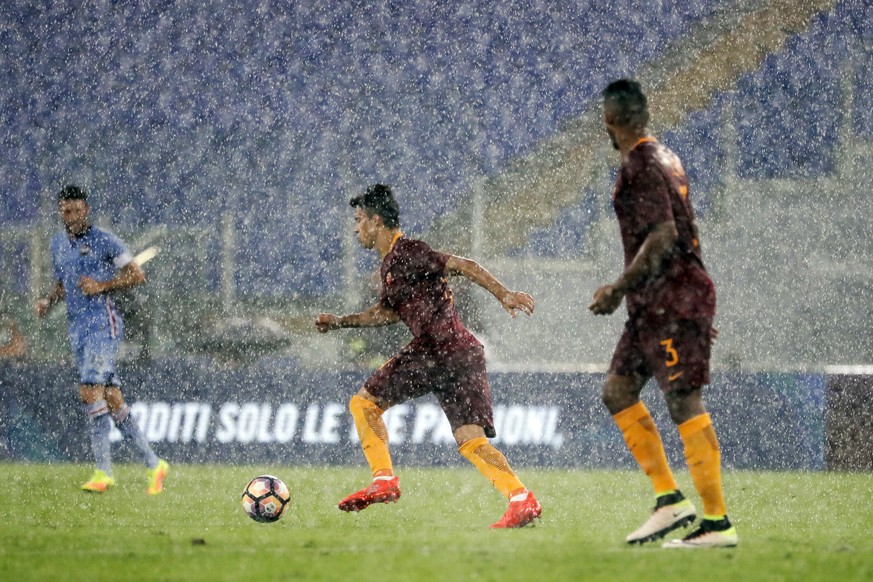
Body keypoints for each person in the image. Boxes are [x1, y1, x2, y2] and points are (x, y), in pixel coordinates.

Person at [315, 184, 541, 528]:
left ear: (376, 221)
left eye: (359, 219)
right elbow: (386, 312)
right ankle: (520, 498)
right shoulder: (391, 265)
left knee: (364, 405)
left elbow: (462, 265)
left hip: (436, 348)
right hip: (463, 352)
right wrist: (341, 323)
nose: (355, 227)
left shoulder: (408, 250)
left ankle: (384, 480)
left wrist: (503, 294)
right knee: (470, 440)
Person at [588, 80, 737, 548]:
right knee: (618, 389)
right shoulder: (665, 157)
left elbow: (663, 234)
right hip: (653, 302)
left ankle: (716, 524)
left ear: (611, 121)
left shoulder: (640, 164)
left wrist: (617, 286)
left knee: (682, 400)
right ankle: (670, 500)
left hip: (675, 299)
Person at [35, 185, 168, 494]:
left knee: (89, 390)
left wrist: (102, 285)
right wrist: (48, 301)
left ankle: (103, 472)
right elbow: (62, 282)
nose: (71, 216)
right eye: (66, 210)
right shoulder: (58, 245)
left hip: (101, 326)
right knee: (111, 398)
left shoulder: (105, 241)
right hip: (77, 328)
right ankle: (154, 464)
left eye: (77, 210)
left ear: (86, 210)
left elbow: (137, 275)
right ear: (61, 212)